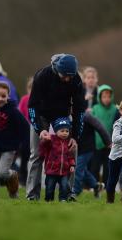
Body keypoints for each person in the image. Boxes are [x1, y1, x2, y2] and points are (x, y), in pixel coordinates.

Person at [26, 54, 86, 201]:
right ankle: (32, 194)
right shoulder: (42, 76)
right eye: (64, 75)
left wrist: (75, 137)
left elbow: (79, 110)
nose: (67, 79)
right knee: (36, 153)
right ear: (56, 69)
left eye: (70, 76)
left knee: (72, 149)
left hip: (62, 116)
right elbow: (32, 105)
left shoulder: (76, 80)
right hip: (41, 114)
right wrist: (41, 130)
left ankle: (68, 193)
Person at [0, 82, 27, 199]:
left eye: (3, 96)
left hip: (9, 147)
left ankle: (13, 176)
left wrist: (18, 143)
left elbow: (24, 127)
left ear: (8, 97)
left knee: (2, 173)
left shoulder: (13, 111)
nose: (0, 99)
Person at [72, 113, 111, 198]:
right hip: (76, 149)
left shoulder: (86, 116)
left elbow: (100, 127)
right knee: (82, 170)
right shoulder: (68, 116)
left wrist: (107, 141)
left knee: (78, 168)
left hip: (87, 149)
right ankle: (96, 186)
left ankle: (75, 192)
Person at [39, 117, 76, 202]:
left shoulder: (68, 142)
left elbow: (70, 156)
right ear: (56, 131)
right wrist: (45, 141)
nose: (65, 133)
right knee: (49, 187)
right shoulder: (51, 140)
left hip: (64, 171)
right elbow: (43, 148)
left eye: (67, 131)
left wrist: (72, 165)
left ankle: (63, 199)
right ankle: (49, 200)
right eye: (62, 131)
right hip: (51, 170)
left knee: (64, 186)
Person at [89, 84, 117, 188]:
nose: (107, 99)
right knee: (95, 167)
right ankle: (94, 186)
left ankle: (107, 187)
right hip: (96, 143)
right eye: (104, 97)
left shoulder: (115, 109)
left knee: (108, 167)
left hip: (110, 144)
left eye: (109, 97)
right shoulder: (95, 108)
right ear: (99, 97)